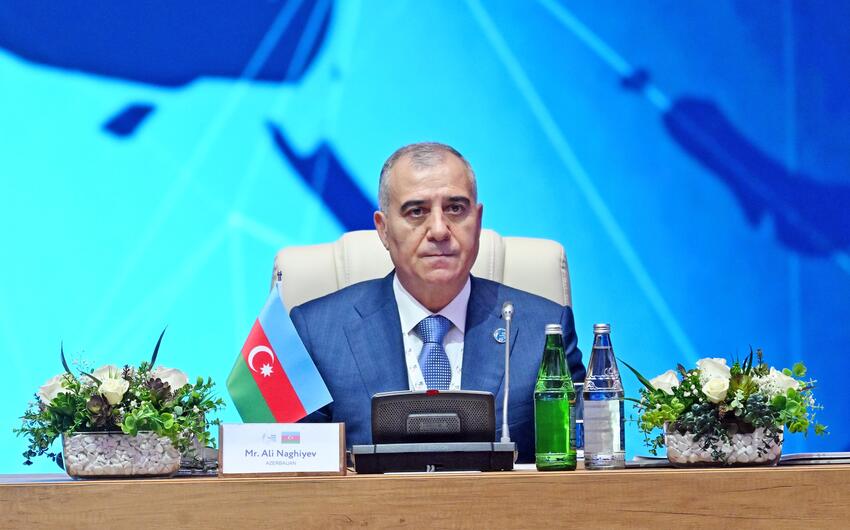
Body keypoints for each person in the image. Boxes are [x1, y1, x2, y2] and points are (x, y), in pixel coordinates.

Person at [290, 142, 585, 462]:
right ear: (383, 229)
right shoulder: (317, 333)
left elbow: (586, 460)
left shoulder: (543, 332)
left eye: (455, 208)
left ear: (478, 221)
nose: (439, 230)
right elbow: (290, 470)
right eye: (416, 212)